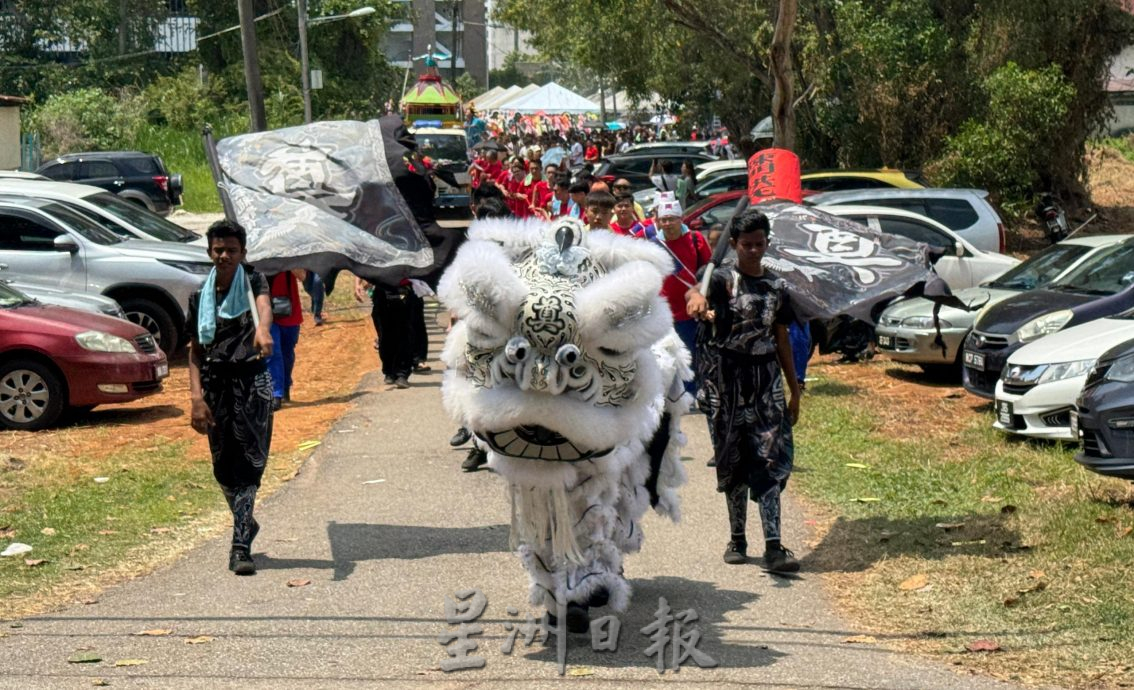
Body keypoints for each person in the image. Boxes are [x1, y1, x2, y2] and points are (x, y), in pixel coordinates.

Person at [686, 208, 802, 574]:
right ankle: (737, 538)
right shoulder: (720, 280)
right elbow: (695, 297)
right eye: (746, 245)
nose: (753, 250)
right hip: (726, 381)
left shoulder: (777, 287)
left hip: (766, 382)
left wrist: (794, 388)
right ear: (734, 245)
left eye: (760, 244)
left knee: (771, 460)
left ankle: (774, 545)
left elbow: (781, 336)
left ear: (768, 243)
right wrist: (699, 305)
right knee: (731, 460)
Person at [186, 220, 274, 576]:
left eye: (231, 251)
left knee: (248, 465)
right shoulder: (198, 297)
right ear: (209, 252)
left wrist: (263, 331)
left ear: (243, 253)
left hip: (252, 384)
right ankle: (245, 519)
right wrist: (195, 398)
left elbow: (264, 307)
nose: (224, 256)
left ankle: (240, 547)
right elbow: (193, 352)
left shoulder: (253, 281)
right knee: (223, 469)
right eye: (218, 250)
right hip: (215, 386)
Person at [648, 193, 711, 395]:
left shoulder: (695, 239)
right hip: (663, 312)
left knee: (691, 354)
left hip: (690, 311)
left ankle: (691, 394)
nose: (667, 224)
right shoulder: (653, 244)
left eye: (671, 219)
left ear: (680, 219)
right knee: (665, 356)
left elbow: (709, 270)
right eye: (663, 220)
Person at [356, 276, 416, 389]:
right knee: (385, 335)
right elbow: (365, 263)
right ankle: (389, 371)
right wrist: (358, 283)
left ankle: (402, 373)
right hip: (381, 290)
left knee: (404, 334)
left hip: (403, 288)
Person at [266, 270, 303, 411]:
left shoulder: (288, 254)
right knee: (274, 352)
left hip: (290, 311)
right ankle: (276, 393)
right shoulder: (258, 255)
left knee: (287, 352)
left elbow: (303, 276)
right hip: (266, 310)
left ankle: (285, 383)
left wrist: (289, 262)